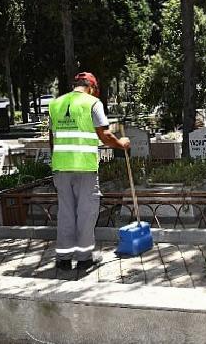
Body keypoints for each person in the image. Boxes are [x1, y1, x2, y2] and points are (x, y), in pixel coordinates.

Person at [49, 72, 131, 270]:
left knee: (66, 213)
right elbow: (105, 135)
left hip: (61, 167)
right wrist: (122, 144)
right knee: (86, 213)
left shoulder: (56, 104)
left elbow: (52, 139)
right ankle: (84, 258)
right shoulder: (93, 103)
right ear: (92, 88)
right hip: (84, 167)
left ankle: (63, 259)